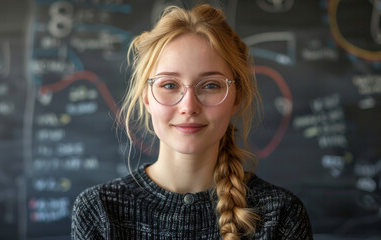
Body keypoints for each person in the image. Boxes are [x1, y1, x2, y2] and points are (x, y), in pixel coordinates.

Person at [71, 4, 313, 240]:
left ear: (236, 98)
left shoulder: (281, 215)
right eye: (169, 85)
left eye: (210, 85)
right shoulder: (99, 211)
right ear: (146, 97)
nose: (189, 106)